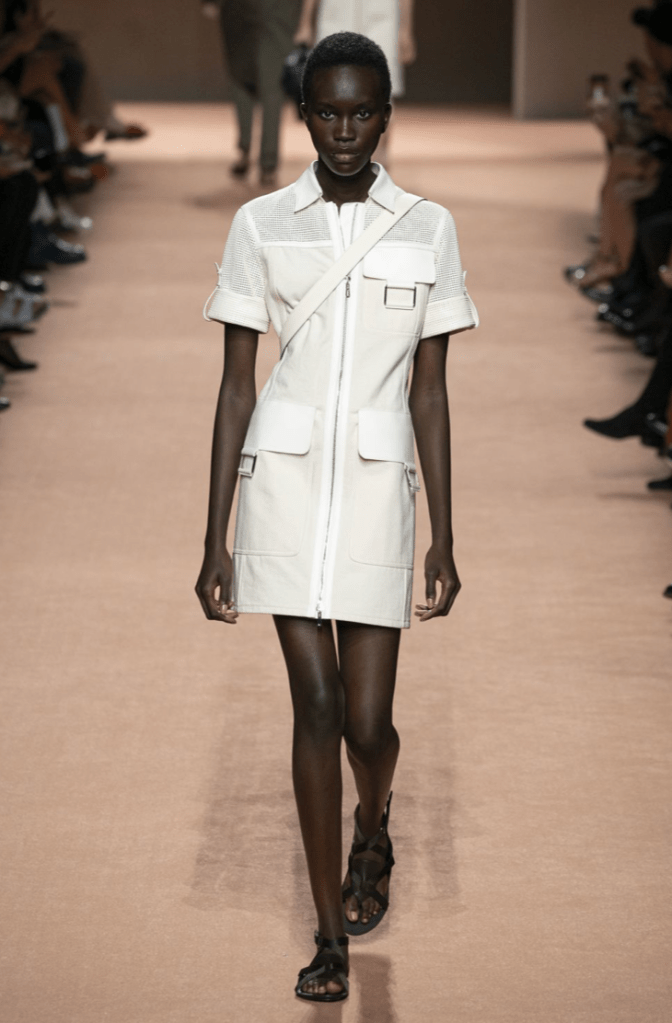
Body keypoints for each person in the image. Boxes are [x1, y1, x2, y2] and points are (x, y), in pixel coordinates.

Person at [196, 31, 477, 1001]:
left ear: (386, 116)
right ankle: (328, 937)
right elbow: (237, 386)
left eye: (362, 113)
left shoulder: (429, 228)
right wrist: (216, 534)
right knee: (314, 707)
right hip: (282, 484)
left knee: (368, 724)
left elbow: (430, 391)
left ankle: (374, 823)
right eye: (327, 112)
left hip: (374, 488)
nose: (345, 131)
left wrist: (446, 531)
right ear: (305, 113)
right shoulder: (261, 224)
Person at [294, 0, 416, 162]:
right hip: (335, 13)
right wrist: (305, 22)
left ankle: (377, 161)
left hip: (381, 14)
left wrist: (405, 29)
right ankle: (335, 160)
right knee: (330, 88)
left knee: (381, 89)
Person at [202, 0, 301, 187]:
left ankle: (255, 156)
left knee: (257, 82)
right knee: (256, 82)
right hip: (268, 12)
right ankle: (261, 160)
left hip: (264, 12)